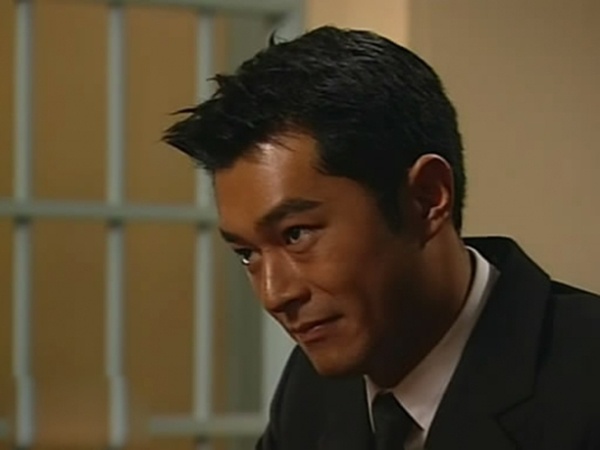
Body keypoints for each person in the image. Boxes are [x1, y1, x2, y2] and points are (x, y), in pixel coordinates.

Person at [163, 26, 600, 450]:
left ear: (427, 199)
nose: (275, 295)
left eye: (296, 235)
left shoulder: (584, 382)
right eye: (246, 254)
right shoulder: (314, 389)